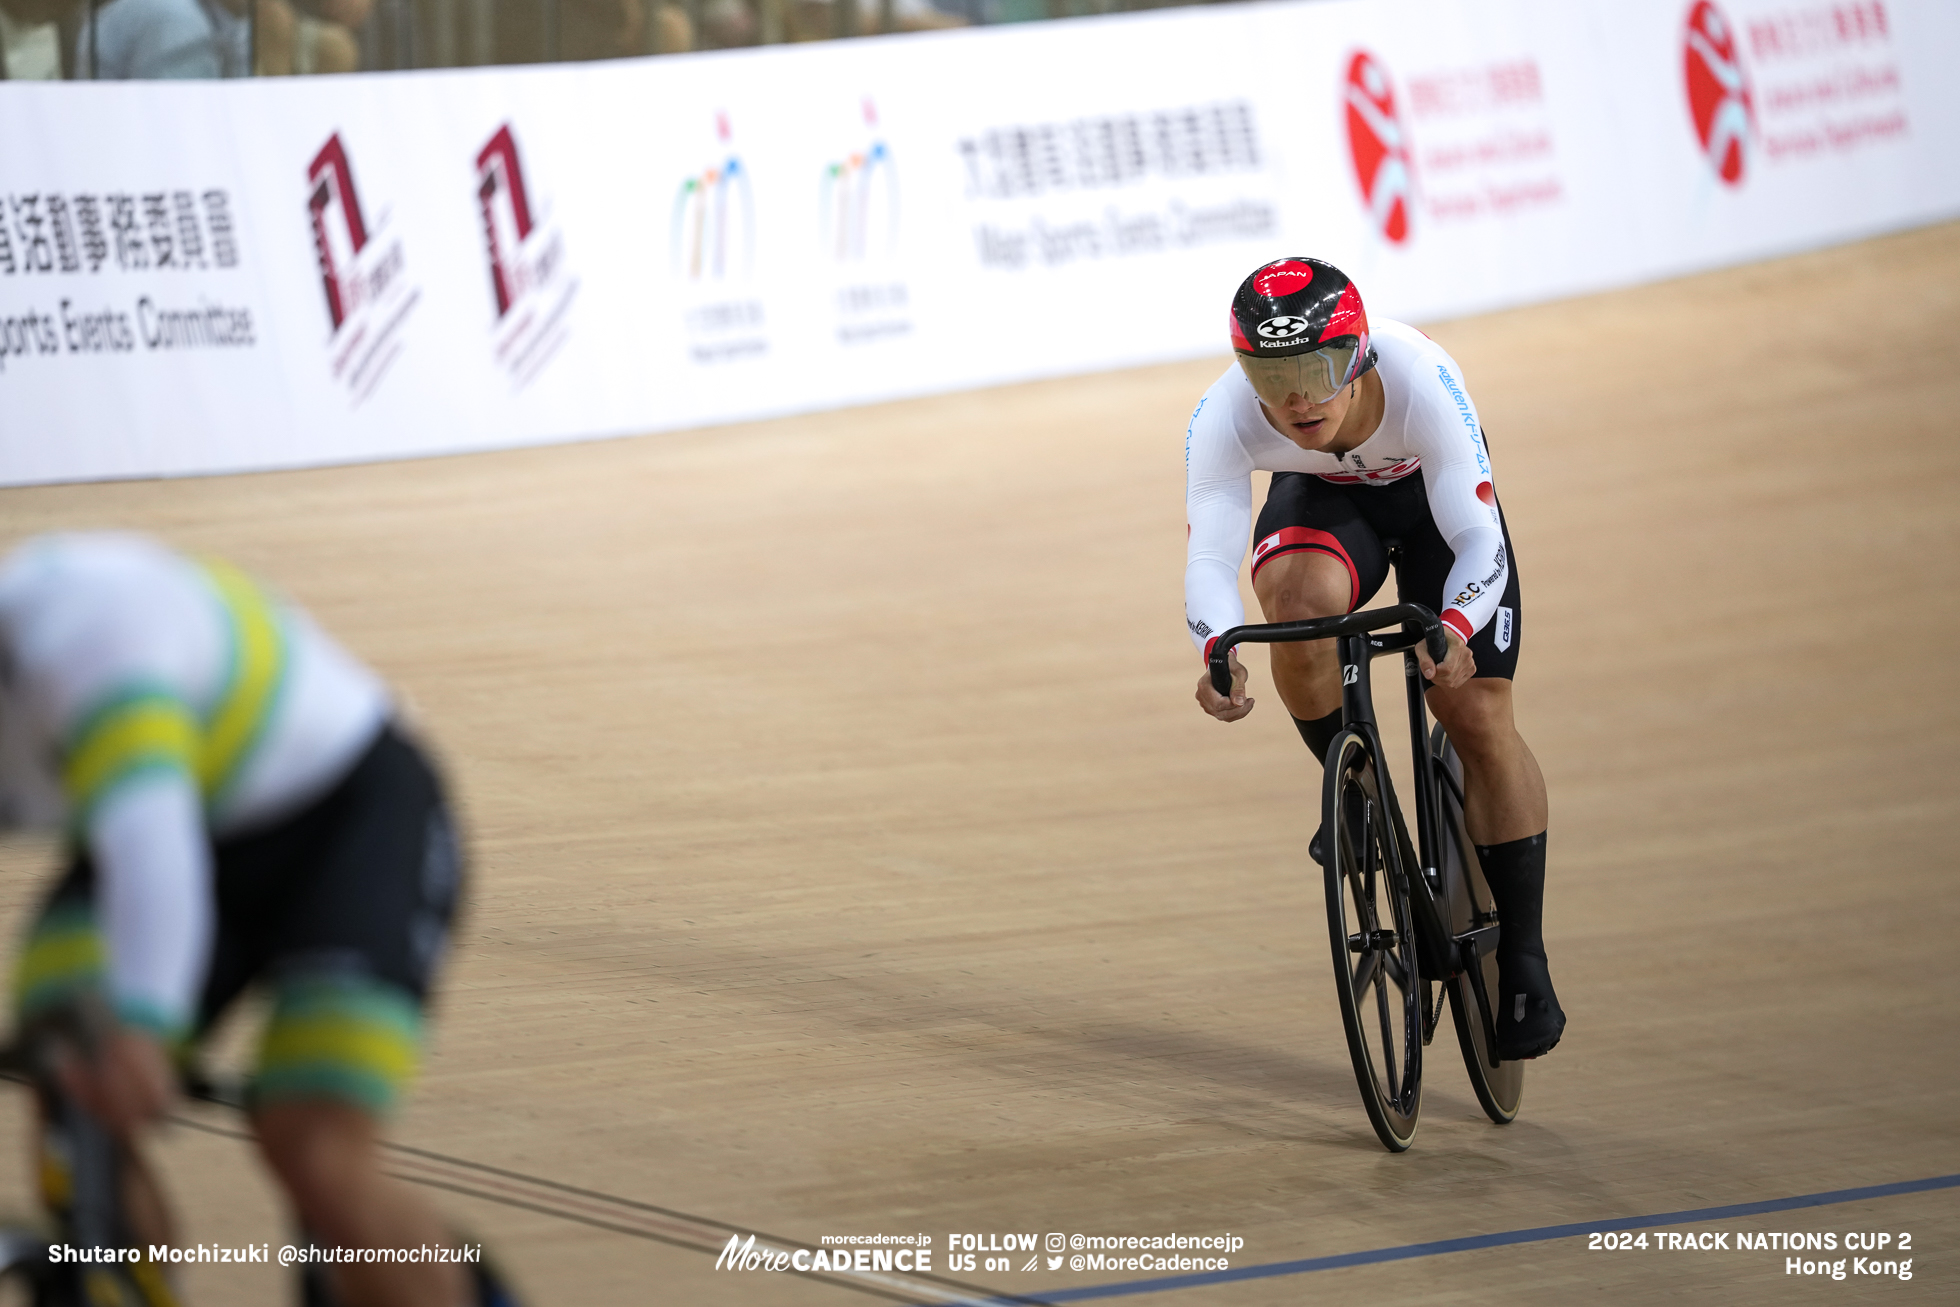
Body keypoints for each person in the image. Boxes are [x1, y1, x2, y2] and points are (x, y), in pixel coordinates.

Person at [0, 532, 511, 1306]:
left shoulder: (86, 644)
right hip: (198, 819)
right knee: (72, 1071)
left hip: (347, 822)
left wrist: (142, 1023)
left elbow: (154, 853)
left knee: (310, 1142)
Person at [1184, 257, 1564, 1060]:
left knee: (1476, 711)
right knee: (1292, 604)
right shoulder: (1226, 414)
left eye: (1319, 369)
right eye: (1271, 375)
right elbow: (1212, 552)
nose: (1297, 400)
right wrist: (1215, 644)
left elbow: (1476, 538)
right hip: (1324, 500)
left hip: (1434, 505)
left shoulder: (1422, 379)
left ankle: (1524, 950)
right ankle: (1356, 794)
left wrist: (1458, 625)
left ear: (1358, 355)